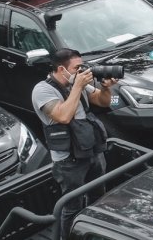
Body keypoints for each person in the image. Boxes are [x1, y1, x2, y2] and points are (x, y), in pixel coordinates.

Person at [32, 49, 116, 216]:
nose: (81, 71)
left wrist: (106, 89)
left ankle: (95, 236)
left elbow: (103, 101)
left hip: (90, 149)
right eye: (77, 68)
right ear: (61, 69)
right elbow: (63, 116)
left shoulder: (77, 82)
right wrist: (78, 86)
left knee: (98, 198)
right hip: (68, 160)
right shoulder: (42, 90)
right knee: (73, 206)